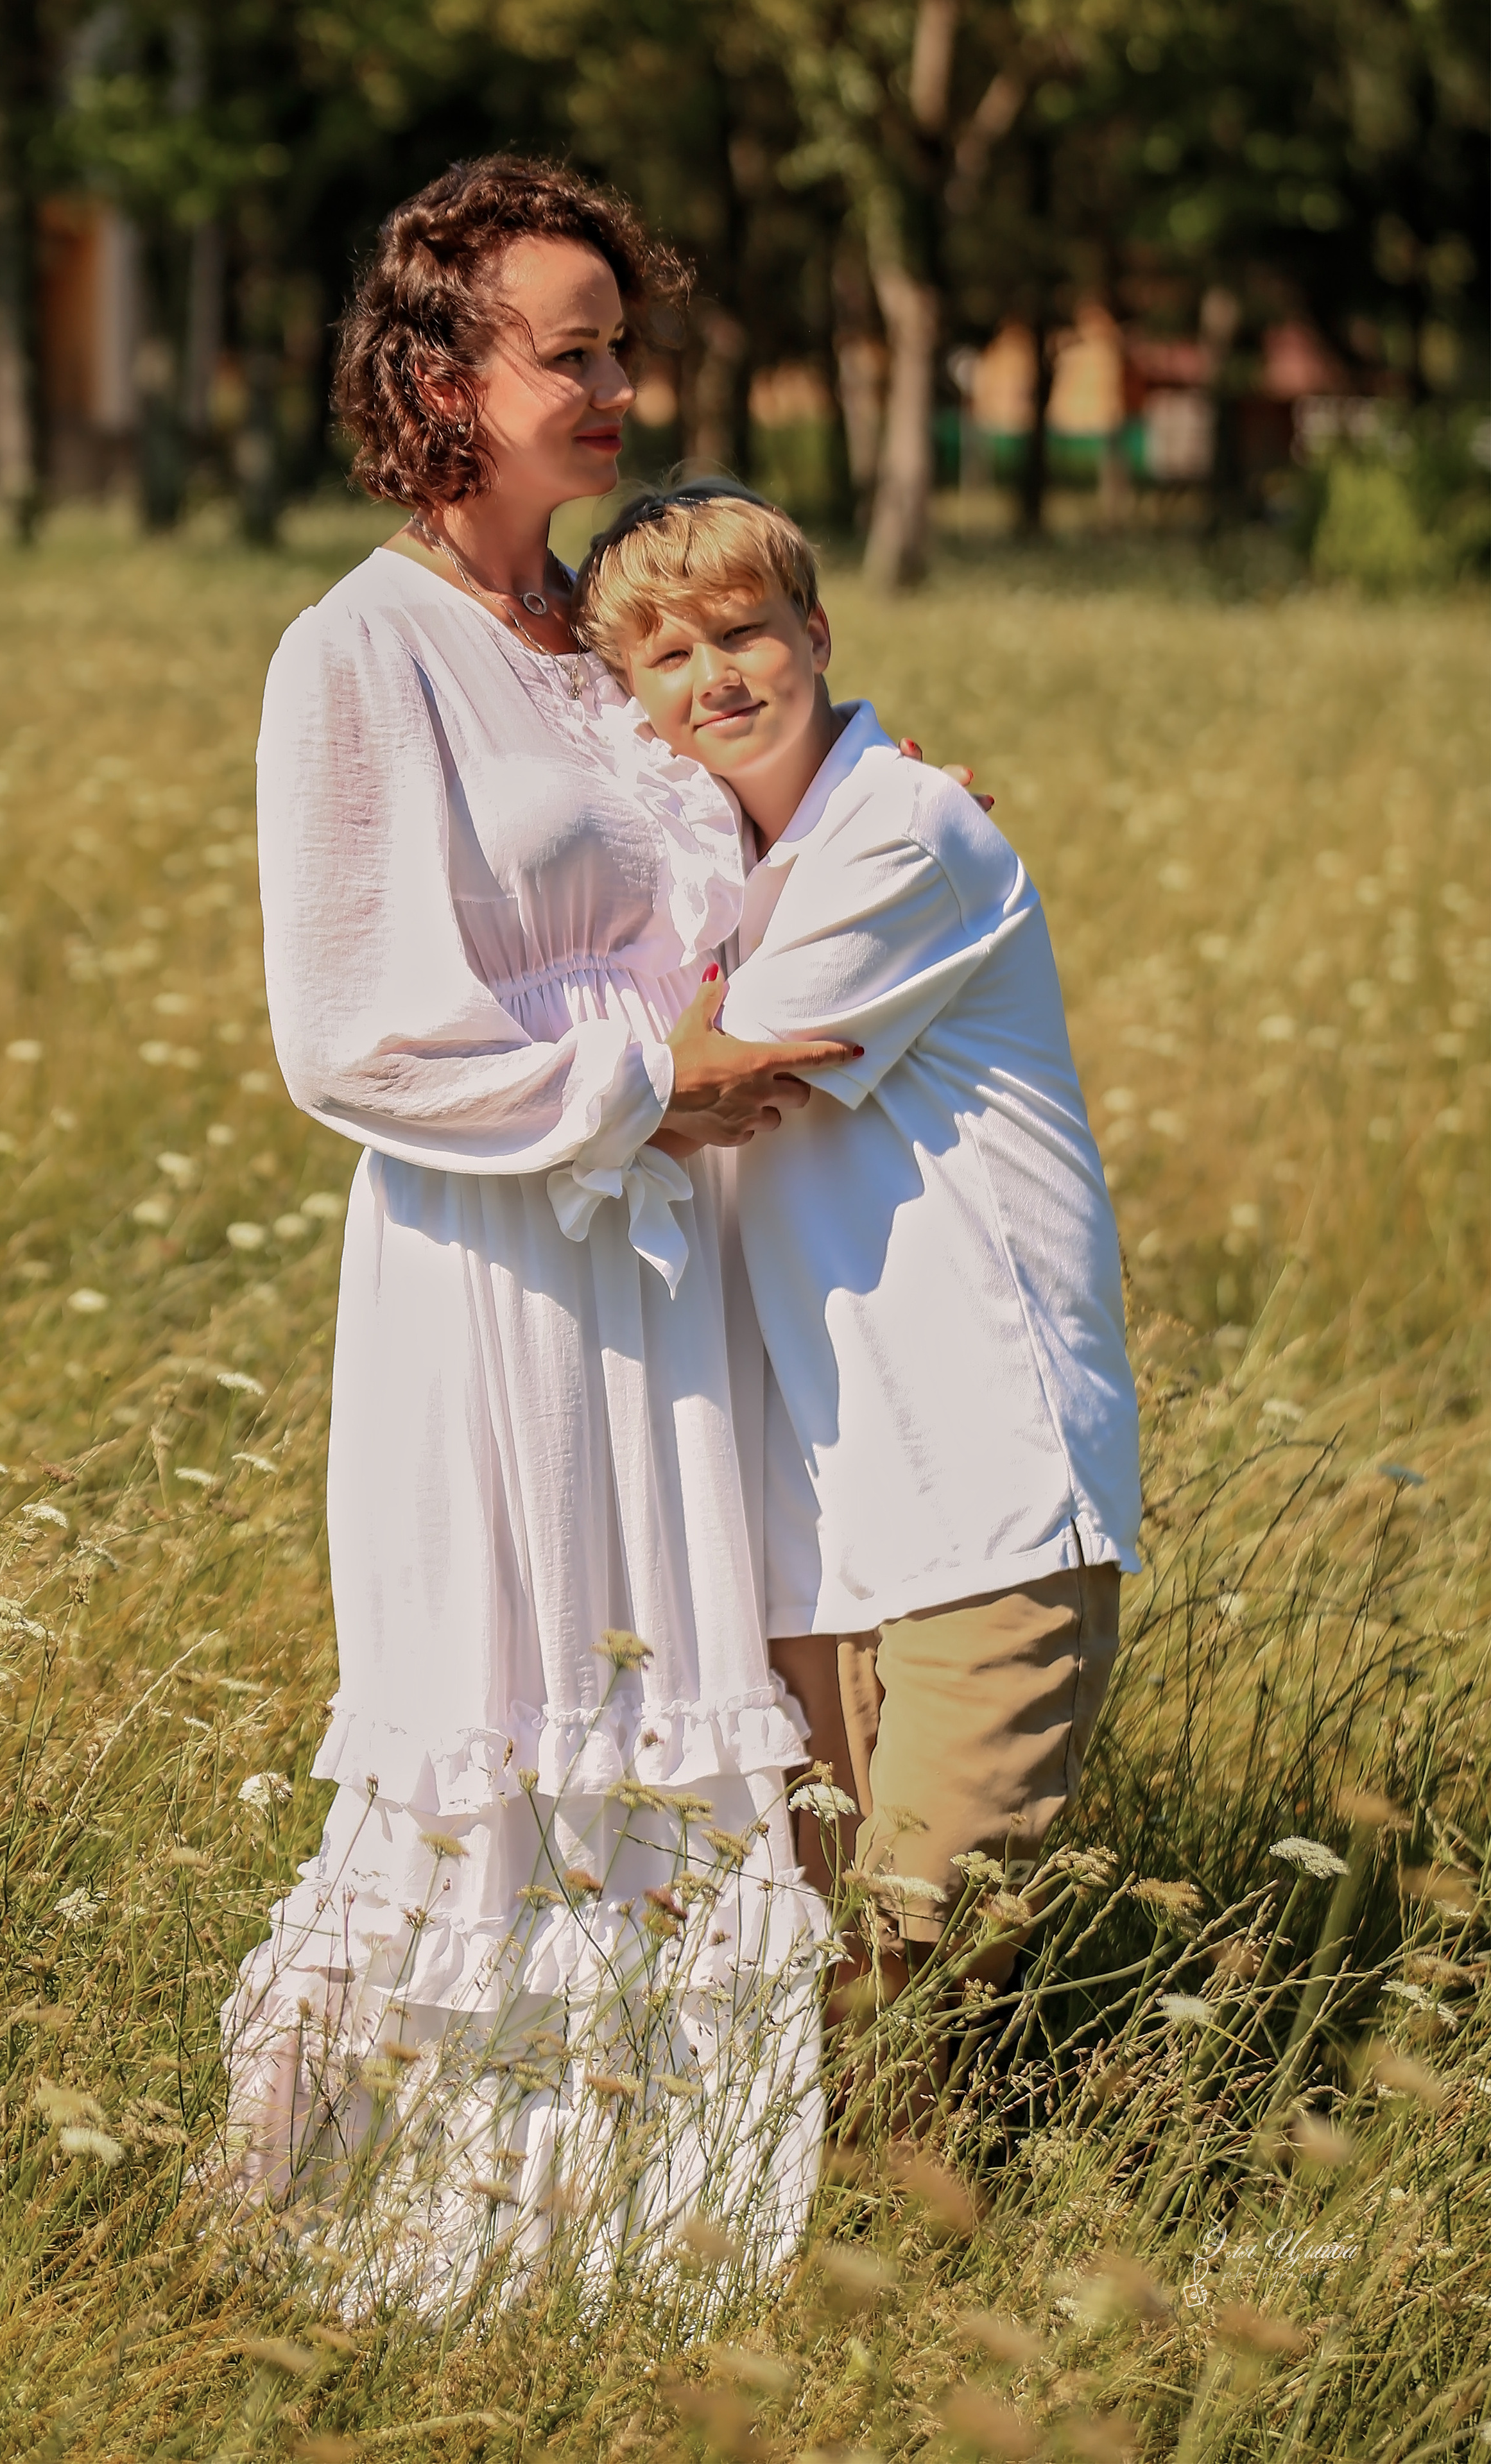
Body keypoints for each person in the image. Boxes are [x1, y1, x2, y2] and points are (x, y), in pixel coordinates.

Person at [220, 171, 857, 2312]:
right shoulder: (357, 652)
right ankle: (405, 2230)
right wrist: (638, 1084)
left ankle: (672, 2230)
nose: (614, 386)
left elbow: (735, 865)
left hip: (671, 1276)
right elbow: (352, 1035)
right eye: (566, 351)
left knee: (672, 1686)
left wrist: (860, 821)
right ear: (439, 380)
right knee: (504, 1699)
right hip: (496, 1267)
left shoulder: (604, 638)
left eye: (616, 346)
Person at [573, 484, 1141, 1989]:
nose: (717, 680)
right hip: (814, 1525)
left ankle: (945, 2233)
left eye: (744, 633)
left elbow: (691, 1083)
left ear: (814, 632)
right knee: (810, 1982)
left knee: (917, 1969)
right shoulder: (749, 872)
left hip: (981, 1500)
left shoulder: (901, 830)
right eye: (666, 663)